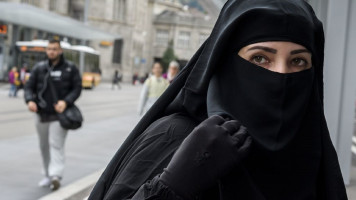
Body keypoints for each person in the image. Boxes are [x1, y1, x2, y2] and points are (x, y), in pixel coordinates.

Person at [88, 0, 348, 199]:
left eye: (298, 61)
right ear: (224, 62)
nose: (281, 74)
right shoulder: (176, 138)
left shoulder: (310, 152)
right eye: (260, 58)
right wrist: (173, 186)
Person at [24, 39, 81, 191]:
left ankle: (56, 175)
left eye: (55, 49)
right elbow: (28, 87)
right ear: (46, 51)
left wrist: (66, 101)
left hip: (59, 115)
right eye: (49, 49)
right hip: (41, 114)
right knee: (44, 145)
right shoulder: (39, 68)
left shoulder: (70, 68)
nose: (51, 52)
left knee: (56, 144)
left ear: (60, 51)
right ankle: (47, 175)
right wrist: (30, 100)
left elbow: (77, 88)